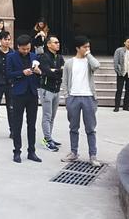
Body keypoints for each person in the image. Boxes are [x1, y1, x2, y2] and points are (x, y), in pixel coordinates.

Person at [61, 35, 102, 167]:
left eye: (88, 46)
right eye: (85, 47)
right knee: (73, 127)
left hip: (88, 97)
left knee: (90, 128)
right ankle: (74, 152)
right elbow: (65, 81)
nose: (87, 49)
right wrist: (67, 96)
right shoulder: (69, 63)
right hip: (73, 97)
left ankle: (93, 155)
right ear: (78, 48)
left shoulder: (89, 61)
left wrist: (88, 54)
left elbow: (97, 65)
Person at [6, 34, 42, 163]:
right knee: (17, 124)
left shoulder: (34, 56)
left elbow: (40, 74)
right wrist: (22, 73)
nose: (26, 51)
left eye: (28, 48)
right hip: (18, 94)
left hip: (32, 94)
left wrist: (38, 72)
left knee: (32, 124)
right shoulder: (11, 57)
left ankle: (32, 151)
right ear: (18, 47)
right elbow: (8, 74)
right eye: (23, 49)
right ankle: (17, 151)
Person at [38, 35, 64, 152]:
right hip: (46, 89)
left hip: (56, 89)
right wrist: (56, 71)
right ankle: (47, 140)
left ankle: (49, 137)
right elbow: (47, 72)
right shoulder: (44, 57)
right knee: (47, 116)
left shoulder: (60, 57)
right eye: (55, 42)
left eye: (58, 42)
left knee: (52, 116)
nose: (58, 44)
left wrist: (55, 70)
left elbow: (63, 72)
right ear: (48, 44)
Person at [113, 37, 129, 112]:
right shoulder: (119, 50)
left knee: (128, 91)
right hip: (121, 73)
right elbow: (115, 62)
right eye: (128, 42)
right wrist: (118, 71)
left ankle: (126, 106)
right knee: (119, 90)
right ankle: (117, 107)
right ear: (124, 43)